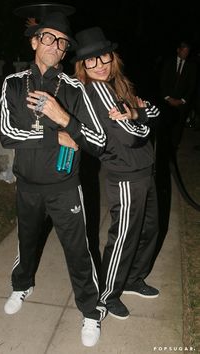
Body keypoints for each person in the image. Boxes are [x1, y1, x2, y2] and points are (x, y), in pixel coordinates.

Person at [0, 12, 107, 347]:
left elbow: (95, 140)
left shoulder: (76, 89)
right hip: (28, 185)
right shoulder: (14, 83)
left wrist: (66, 121)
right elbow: (6, 133)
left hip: (64, 186)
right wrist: (54, 135)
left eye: (61, 42)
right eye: (48, 37)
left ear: (64, 52)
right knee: (26, 242)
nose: (54, 45)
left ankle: (91, 310)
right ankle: (22, 286)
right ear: (34, 41)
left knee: (78, 251)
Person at [72, 26, 160, 320]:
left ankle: (134, 279)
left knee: (149, 230)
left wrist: (138, 115)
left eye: (103, 57)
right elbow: (131, 137)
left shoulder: (118, 85)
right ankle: (108, 295)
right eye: (90, 61)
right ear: (82, 65)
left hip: (145, 169)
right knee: (123, 236)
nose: (99, 65)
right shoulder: (95, 89)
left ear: (112, 56)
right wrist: (141, 118)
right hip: (124, 174)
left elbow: (154, 114)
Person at [158, 40, 197, 151]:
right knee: (165, 123)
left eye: (187, 52)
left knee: (178, 126)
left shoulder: (192, 66)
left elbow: (192, 86)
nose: (186, 54)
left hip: (182, 102)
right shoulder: (168, 62)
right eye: (184, 51)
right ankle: (164, 144)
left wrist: (183, 100)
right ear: (178, 50)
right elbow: (162, 81)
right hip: (167, 101)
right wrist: (168, 98)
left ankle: (174, 146)